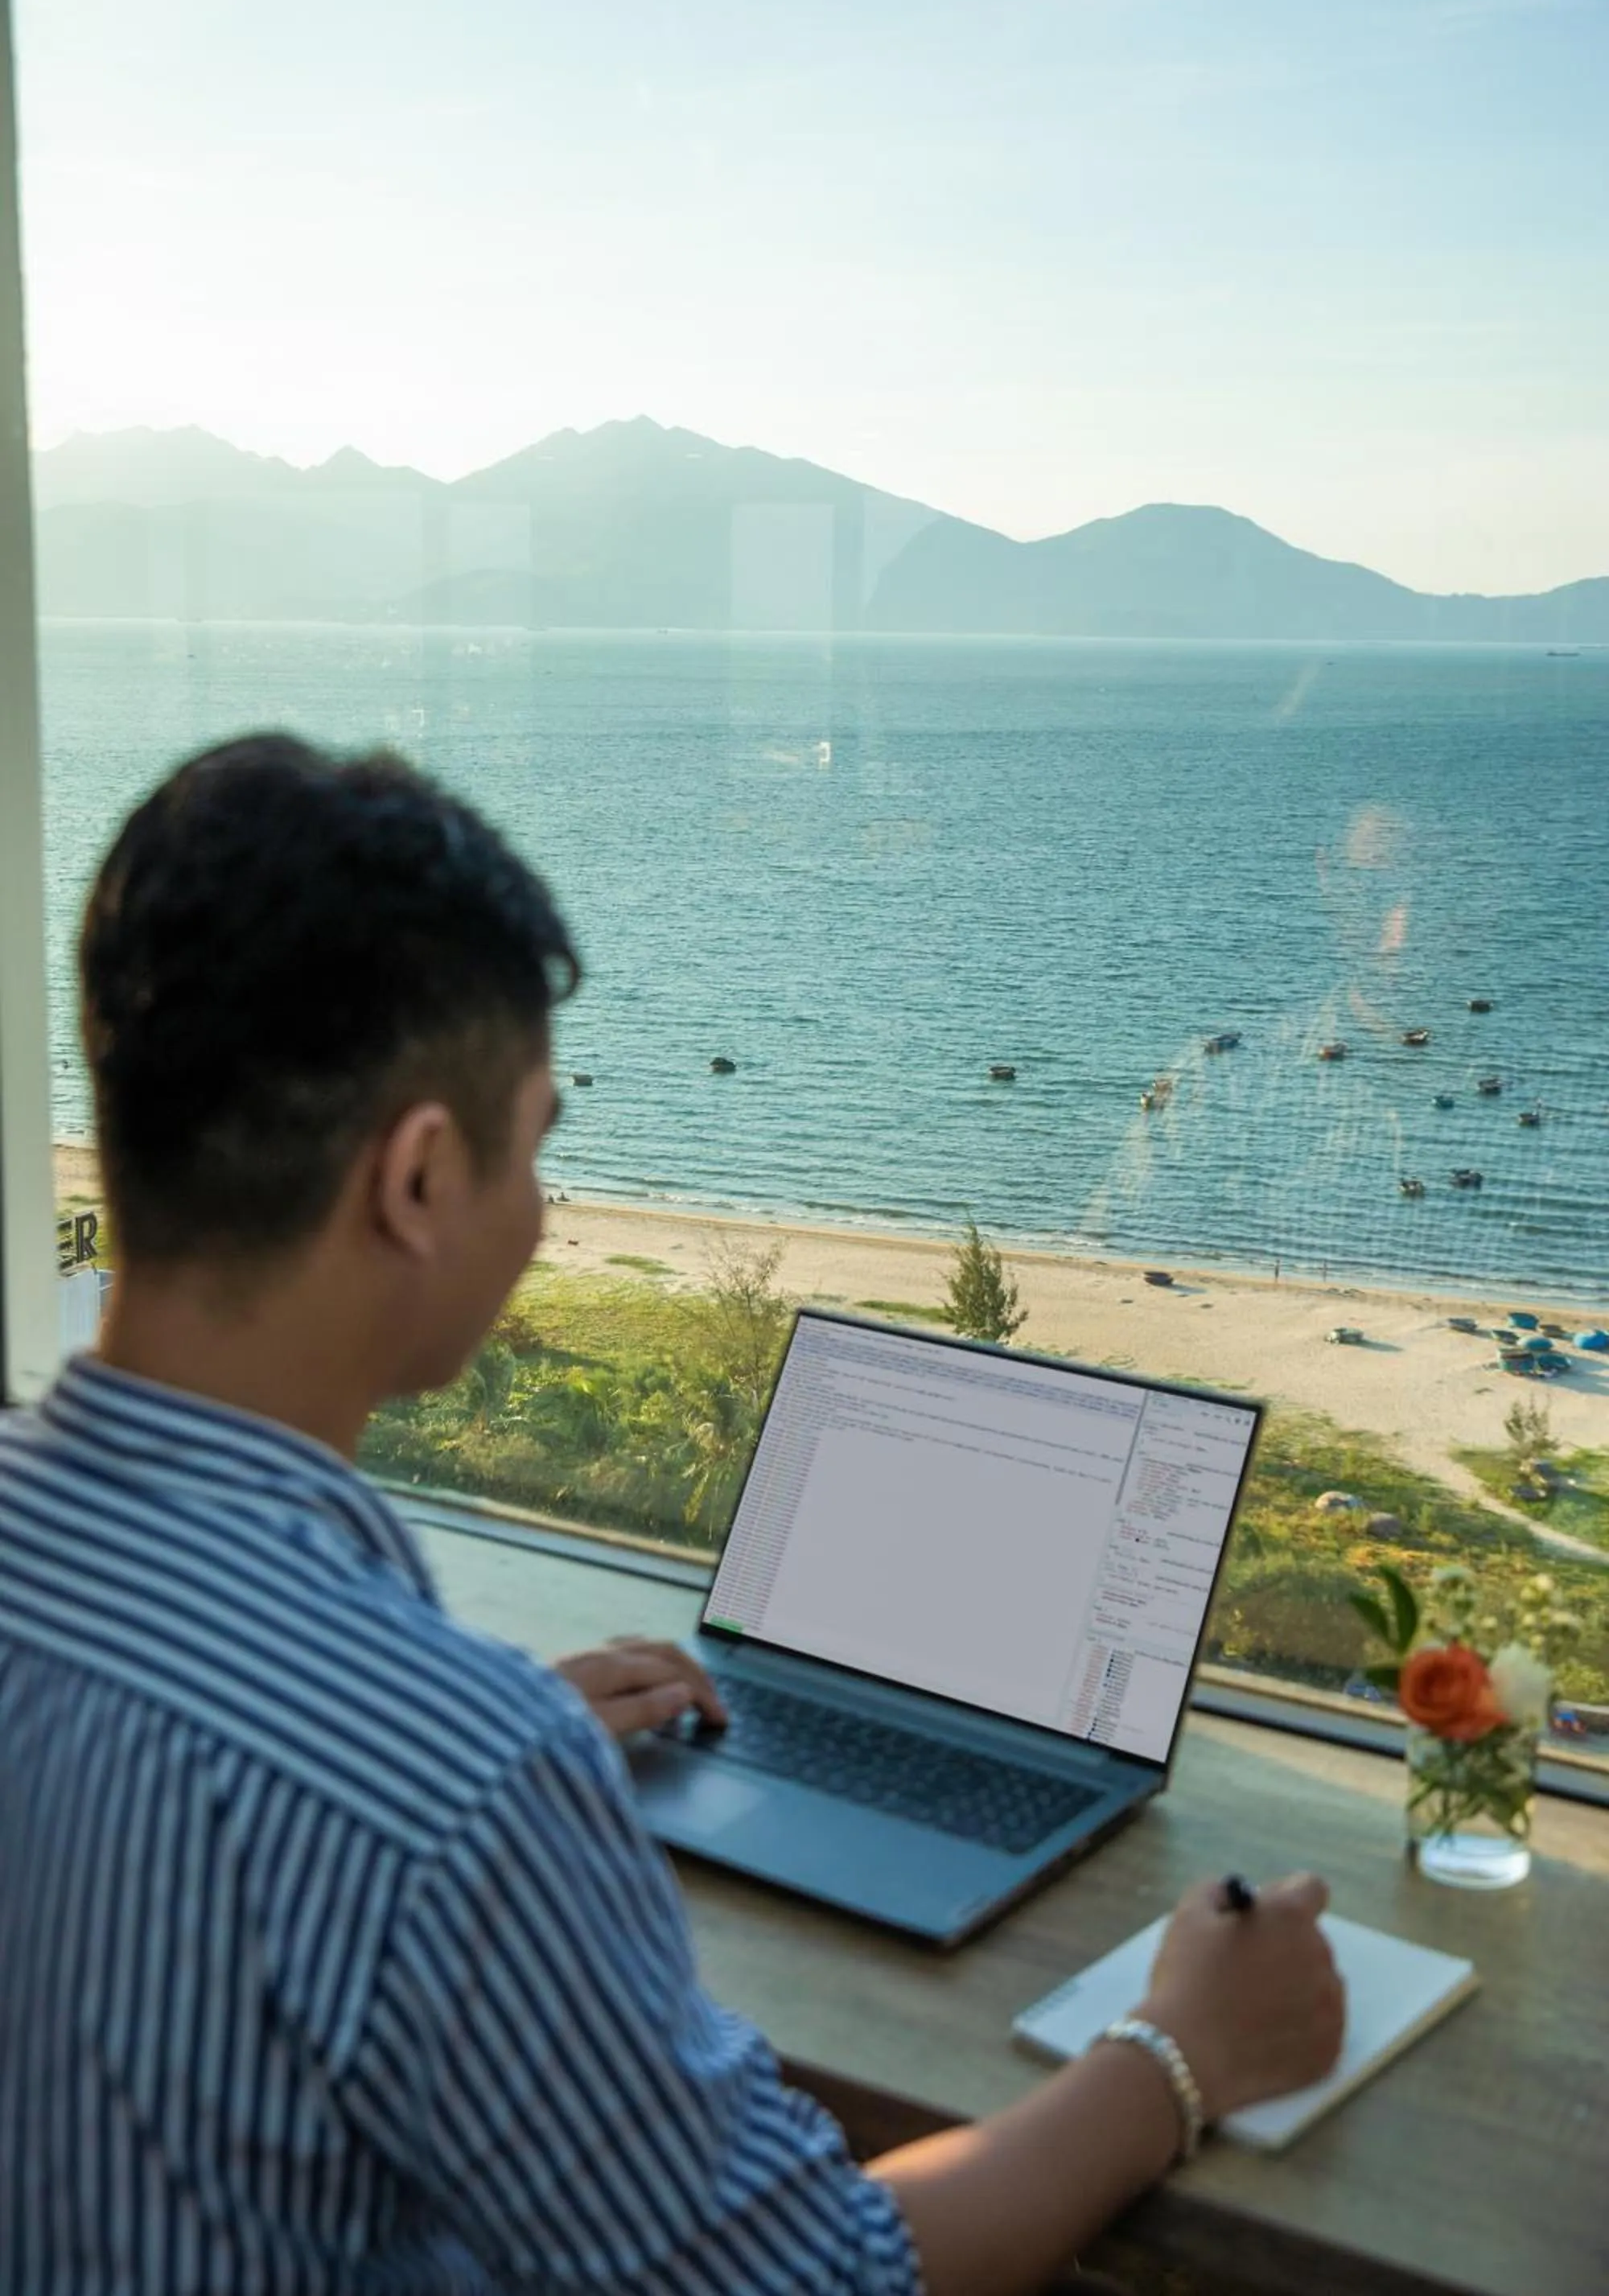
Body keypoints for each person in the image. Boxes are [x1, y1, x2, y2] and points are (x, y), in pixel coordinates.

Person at [0, 736, 1344, 2295]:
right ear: (420, 1182)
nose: (547, 1209)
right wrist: (1175, 2054)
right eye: (542, 1140)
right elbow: (816, 2282)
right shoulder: (455, 1785)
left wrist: (465, 1752)